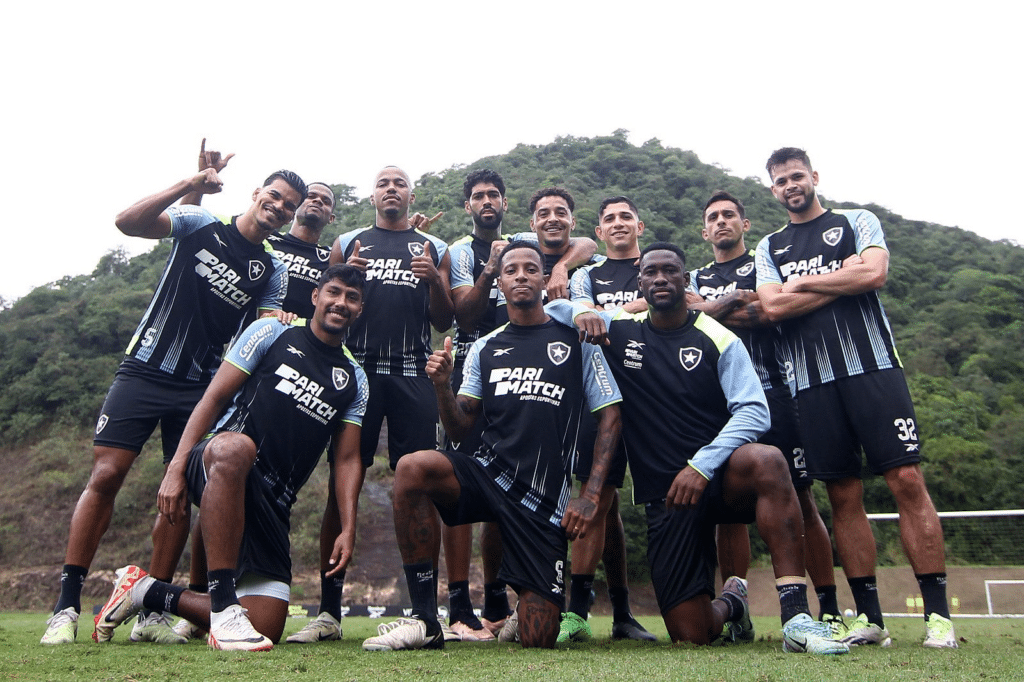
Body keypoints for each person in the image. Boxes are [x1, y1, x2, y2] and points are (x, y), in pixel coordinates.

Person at [41, 156, 302, 646]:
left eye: (287, 207)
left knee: (179, 491)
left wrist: (283, 324)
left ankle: (150, 612)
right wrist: (192, 182)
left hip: (198, 387)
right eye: (274, 197)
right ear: (256, 194)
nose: (278, 207)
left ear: (288, 218)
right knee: (106, 475)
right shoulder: (198, 221)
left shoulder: (270, 268)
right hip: (144, 369)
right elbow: (128, 222)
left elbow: (264, 331)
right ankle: (67, 605)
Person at [550, 242, 849, 654]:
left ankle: (796, 618)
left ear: (685, 281)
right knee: (691, 633)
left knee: (768, 459)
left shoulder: (718, 337)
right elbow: (553, 310)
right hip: (667, 496)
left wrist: (703, 465)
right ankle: (733, 604)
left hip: (720, 479)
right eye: (651, 272)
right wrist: (580, 309)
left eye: (669, 271)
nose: (660, 279)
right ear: (639, 284)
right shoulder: (621, 329)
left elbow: (754, 412)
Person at [91, 264, 368, 651]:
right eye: (334, 292)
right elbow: (214, 397)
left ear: (360, 309)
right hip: (216, 459)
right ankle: (222, 605)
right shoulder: (272, 332)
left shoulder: (354, 379)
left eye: (352, 298)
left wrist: (348, 527)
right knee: (238, 447)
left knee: (267, 626)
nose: (341, 303)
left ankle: (144, 591)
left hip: (272, 502)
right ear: (315, 296)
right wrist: (175, 468)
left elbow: (347, 460)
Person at [361, 241, 622, 651]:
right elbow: (462, 429)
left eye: (531, 269)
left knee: (538, 638)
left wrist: (588, 494)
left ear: (544, 280)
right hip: (487, 473)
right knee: (412, 466)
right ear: (499, 282)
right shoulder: (486, 347)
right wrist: (442, 386)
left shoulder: (575, 339)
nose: (521, 275)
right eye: (511, 269)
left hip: (541, 497)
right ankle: (427, 620)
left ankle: (524, 605)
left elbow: (610, 416)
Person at [755, 147, 957, 648]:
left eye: (797, 176)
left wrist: (804, 281)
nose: (790, 185)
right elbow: (774, 307)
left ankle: (938, 618)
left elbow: (873, 274)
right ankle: (871, 618)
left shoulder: (856, 220)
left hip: (874, 370)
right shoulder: (769, 245)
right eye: (781, 181)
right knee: (843, 495)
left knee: (906, 479)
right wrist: (836, 278)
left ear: (814, 176)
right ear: (773, 190)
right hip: (810, 383)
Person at [442, 169, 598, 640]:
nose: (486, 201)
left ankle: (539, 602)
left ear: (507, 205)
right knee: (470, 478)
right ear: (468, 204)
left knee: (524, 487)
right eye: (477, 196)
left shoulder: (525, 242)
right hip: (480, 370)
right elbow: (462, 314)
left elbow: (587, 241)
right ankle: (465, 606)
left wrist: (559, 269)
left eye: (493, 194)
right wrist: (493, 268)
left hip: (540, 370)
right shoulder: (460, 252)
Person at [688, 190, 840, 640]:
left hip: (774, 393)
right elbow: (690, 316)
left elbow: (766, 311)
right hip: (715, 402)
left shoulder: (764, 266)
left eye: (729, 215)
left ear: (745, 223)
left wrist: (712, 310)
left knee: (801, 497)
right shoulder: (693, 275)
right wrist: (734, 303)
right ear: (704, 229)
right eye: (712, 217)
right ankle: (739, 612)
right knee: (727, 514)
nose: (721, 222)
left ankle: (826, 606)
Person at [561, 196, 653, 642]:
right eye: (609, 219)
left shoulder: (659, 265)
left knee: (664, 502)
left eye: (625, 217)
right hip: (602, 398)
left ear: (640, 225)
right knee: (596, 497)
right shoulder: (586, 275)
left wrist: (613, 315)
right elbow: (582, 317)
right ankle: (579, 613)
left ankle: (626, 613)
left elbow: (677, 311)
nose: (618, 224)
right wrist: (633, 310)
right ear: (598, 232)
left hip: (659, 397)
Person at [328, 166, 453, 472]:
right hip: (356, 368)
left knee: (419, 474)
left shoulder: (434, 248)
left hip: (413, 371)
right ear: (373, 197)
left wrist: (434, 280)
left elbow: (443, 321)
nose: (391, 188)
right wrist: (347, 278)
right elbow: (326, 315)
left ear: (412, 195)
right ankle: (345, 524)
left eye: (400, 183)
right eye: (383, 184)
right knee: (344, 469)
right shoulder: (347, 243)